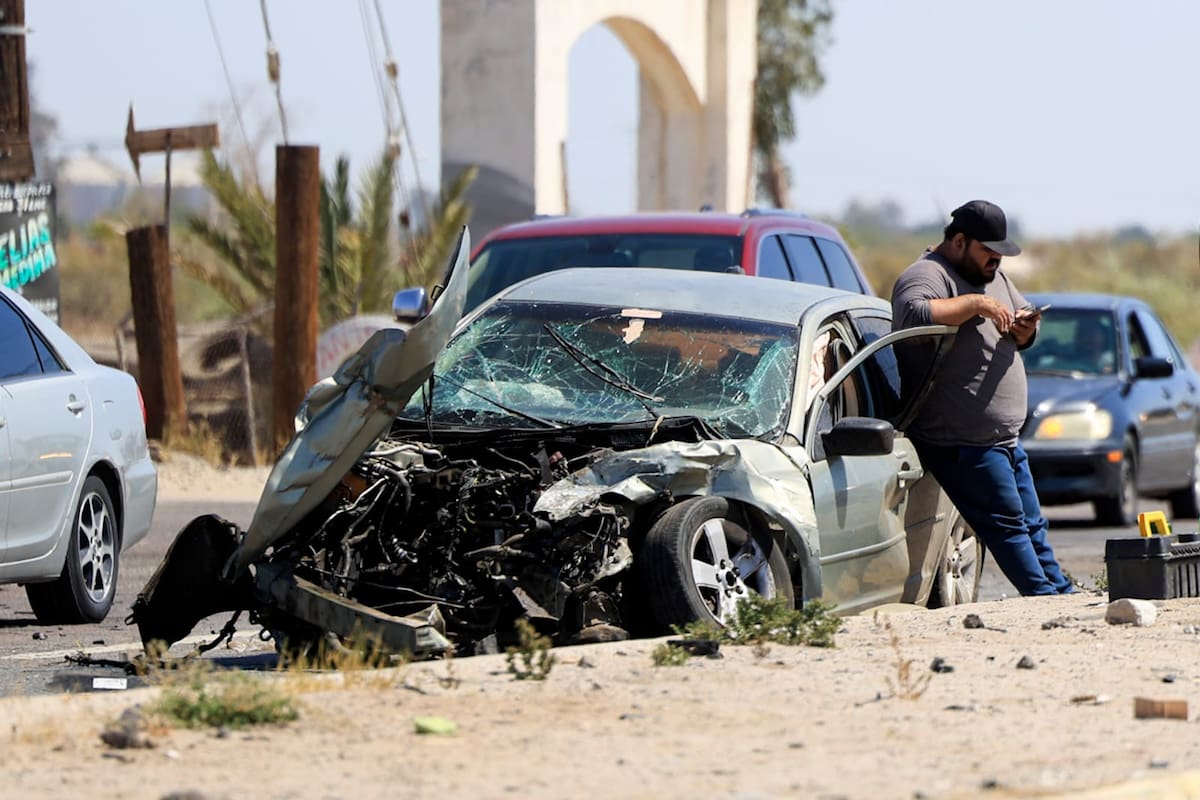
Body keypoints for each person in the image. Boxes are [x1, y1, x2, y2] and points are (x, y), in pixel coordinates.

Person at [891, 200, 1073, 596]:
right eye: (988, 251)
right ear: (959, 241)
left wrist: (1024, 330)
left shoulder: (993, 276)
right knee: (1008, 526)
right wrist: (975, 304)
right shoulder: (926, 275)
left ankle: (1060, 593)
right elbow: (912, 315)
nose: (996, 261)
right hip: (963, 442)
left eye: (1001, 254)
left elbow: (1019, 322)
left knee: (1031, 524)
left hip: (1003, 438)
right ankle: (1043, 598)